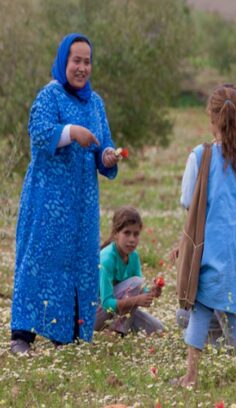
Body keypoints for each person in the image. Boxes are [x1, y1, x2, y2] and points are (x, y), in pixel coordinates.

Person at [10, 33, 120, 354]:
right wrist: (72, 132)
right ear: (64, 61)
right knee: (40, 259)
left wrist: (108, 155)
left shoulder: (95, 102)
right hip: (48, 199)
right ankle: (23, 335)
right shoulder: (50, 96)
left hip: (83, 204)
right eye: (76, 61)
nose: (82, 67)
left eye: (87, 61)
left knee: (78, 262)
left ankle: (68, 334)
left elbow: (103, 144)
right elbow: (41, 134)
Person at [176, 85, 236, 387]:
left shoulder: (199, 156)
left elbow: (188, 200)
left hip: (209, 249)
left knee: (200, 311)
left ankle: (191, 376)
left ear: (211, 119)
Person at [94, 207, 164, 336]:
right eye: (127, 233)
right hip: (95, 315)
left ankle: (121, 327)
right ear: (115, 233)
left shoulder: (133, 256)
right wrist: (137, 300)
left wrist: (152, 291)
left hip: (119, 312)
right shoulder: (107, 258)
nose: (132, 239)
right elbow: (107, 304)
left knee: (158, 329)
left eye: (136, 234)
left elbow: (141, 289)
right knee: (136, 283)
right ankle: (117, 332)